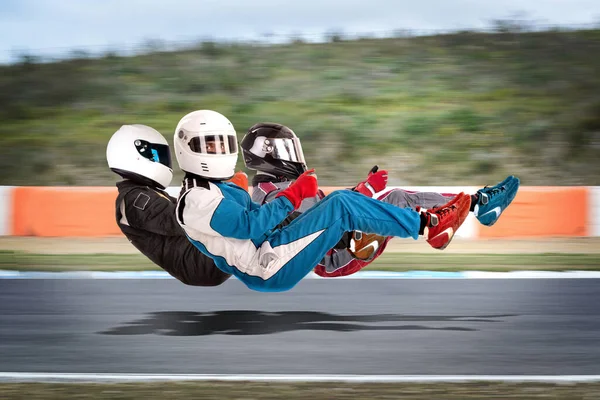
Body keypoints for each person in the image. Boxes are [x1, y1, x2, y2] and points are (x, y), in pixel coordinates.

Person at [173, 110, 472, 293]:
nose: (218, 151)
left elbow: (257, 219)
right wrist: (295, 193)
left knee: (342, 202)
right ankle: (427, 225)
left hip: (272, 251)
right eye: (209, 145)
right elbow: (249, 226)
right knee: (341, 204)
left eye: (223, 143)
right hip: (266, 266)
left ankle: (431, 221)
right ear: (188, 148)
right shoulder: (195, 200)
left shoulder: (215, 190)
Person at [240, 122, 521, 277]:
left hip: (337, 242)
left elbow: (326, 211)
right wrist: (364, 193)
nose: (293, 155)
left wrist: (362, 189)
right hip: (331, 256)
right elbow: (317, 226)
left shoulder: (280, 186)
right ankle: (466, 209)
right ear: (270, 155)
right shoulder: (273, 195)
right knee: (395, 198)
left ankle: (476, 203)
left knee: (394, 197)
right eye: (286, 149)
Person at [106, 124, 245, 286]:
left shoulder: (144, 193)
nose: (163, 161)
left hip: (200, 256)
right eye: (156, 155)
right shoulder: (135, 200)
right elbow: (179, 221)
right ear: (134, 156)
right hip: (198, 262)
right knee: (252, 223)